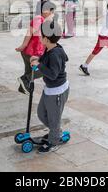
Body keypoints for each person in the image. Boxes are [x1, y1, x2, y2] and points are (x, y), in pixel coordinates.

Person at [30, 21, 69, 154]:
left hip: (57, 91)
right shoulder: (51, 48)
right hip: (50, 89)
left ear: (46, 39)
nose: (40, 38)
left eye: (41, 36)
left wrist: (39, 65)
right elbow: (49, 59)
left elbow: (53, 74)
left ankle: (54, 141)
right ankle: (56, 131)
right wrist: (39, 59)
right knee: (42, 113)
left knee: (54, 118)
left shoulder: (55, 53)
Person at [16, 0, 56, 95]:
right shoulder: (39, 19)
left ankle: (23, 88)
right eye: (52, 11)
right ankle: (24, 79)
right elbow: (29, 33)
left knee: (29, 71)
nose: (53, 13)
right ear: (45, 10)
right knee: (44, 70)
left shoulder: (44, 20)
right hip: (32, 52)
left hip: (31, 51)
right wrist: (23, 45)